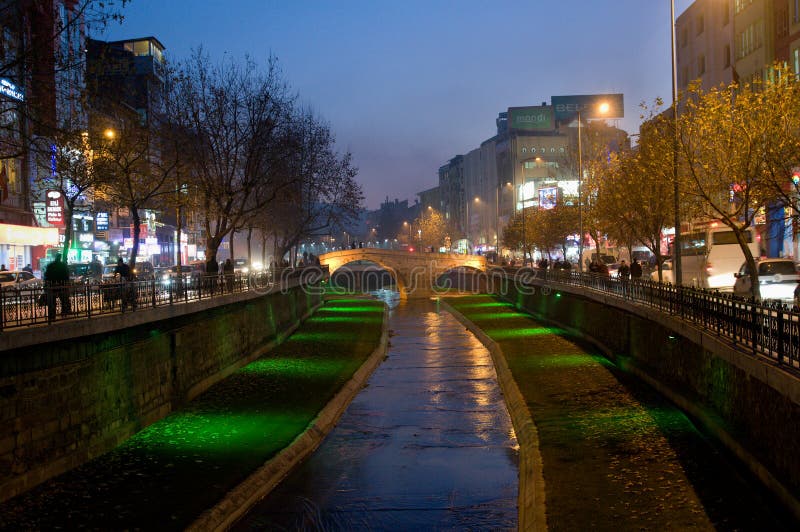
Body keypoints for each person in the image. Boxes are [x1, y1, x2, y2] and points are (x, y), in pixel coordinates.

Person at [44, 254, 70, 321]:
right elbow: (67, 275)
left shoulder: (50, 265)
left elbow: (46, 275)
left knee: (52, 302)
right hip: (61, 285)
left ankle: (52, 316)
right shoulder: (63, 265)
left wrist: (47, 284)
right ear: (60, 258)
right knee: (63, 300)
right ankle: (64, 313)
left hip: (52, 285)